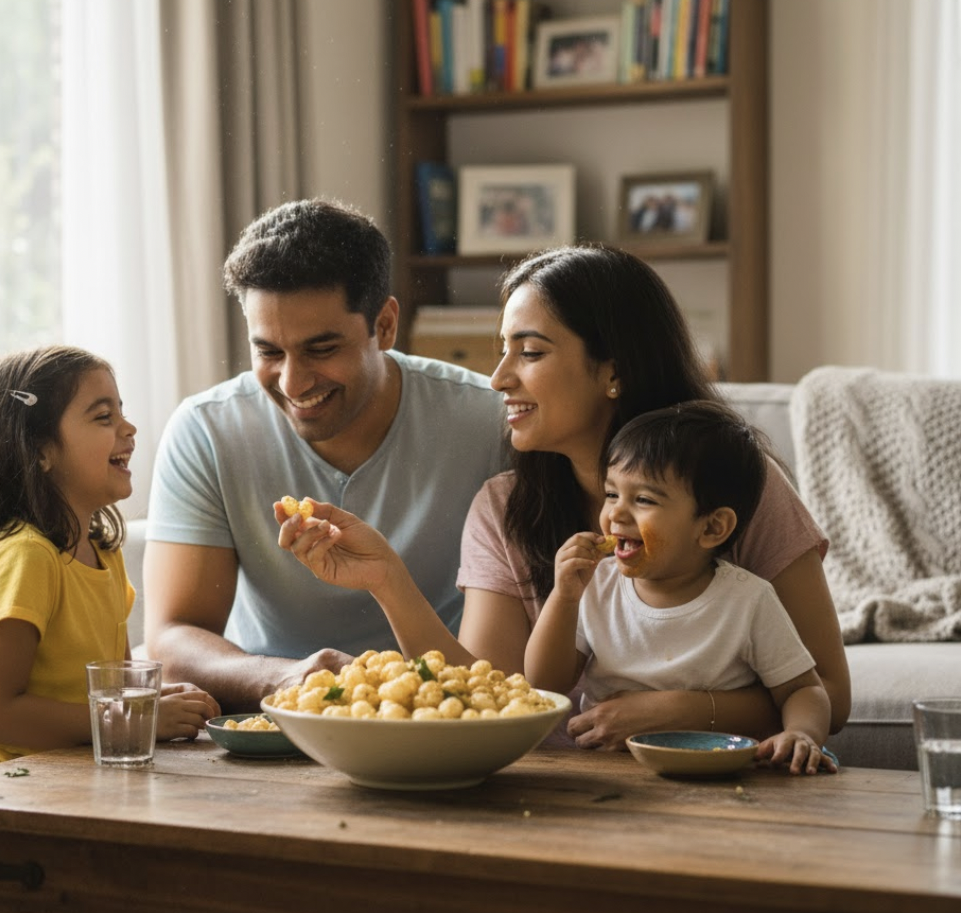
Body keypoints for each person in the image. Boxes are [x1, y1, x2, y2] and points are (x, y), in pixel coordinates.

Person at [278, 244, 851, 750]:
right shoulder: (504, 506)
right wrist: (386, 579)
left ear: (613, 370)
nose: (498, 377)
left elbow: (829, 691)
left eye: (528, 352)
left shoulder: (741, 486)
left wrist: (683, 709)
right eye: (502, 351)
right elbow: (493, 694)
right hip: (561, 794)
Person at [143, 198, 507, 711]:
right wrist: (284, 678)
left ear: (384, 324)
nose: (293, 382)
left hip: (441, 716)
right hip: (274, 725)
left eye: (321, 349)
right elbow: (172, 637)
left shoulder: (490, 424)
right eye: (268, 351)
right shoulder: (207, 430)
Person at [0, 346, 219, 872]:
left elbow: (116, 684)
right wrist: (139, 719)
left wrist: (159, 701)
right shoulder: (26, 557)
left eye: (122, 411)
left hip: (53, 776)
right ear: (39, 450)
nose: (129, 429)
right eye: (104, 416)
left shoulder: (103, 551)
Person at [523, 401, 835, 774]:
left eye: (643, 500)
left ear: (711, 528)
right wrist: (563, 597)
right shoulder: (597, 587)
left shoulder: (747, 600)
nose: (616, 514)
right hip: (610, 771)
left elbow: (803, 689)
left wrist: (801, 732)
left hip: (720, 773)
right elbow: (543, 683)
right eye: (611, 494)